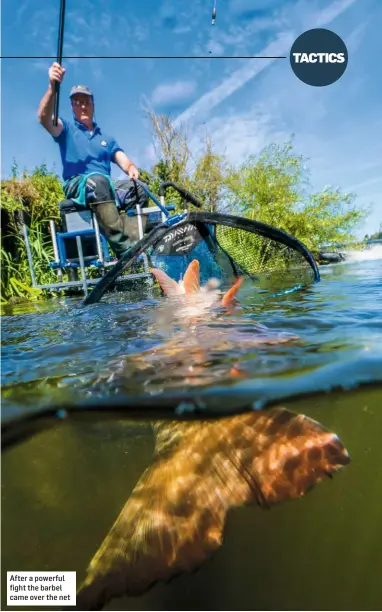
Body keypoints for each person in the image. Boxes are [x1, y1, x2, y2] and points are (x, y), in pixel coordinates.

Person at [37, 62, 141, 258]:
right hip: (79, 184)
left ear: (93, 104)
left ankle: (144, 240)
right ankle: (126, 251)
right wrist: (52, 87)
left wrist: (131, 167)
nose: (82, 105)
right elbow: (44, 117)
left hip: (106, 188)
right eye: (77, 102)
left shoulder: (107, 139)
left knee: (140, 190)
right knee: (98, 182)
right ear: (72, 106)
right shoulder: (66, 129)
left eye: (86, 101)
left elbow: (123, 159)